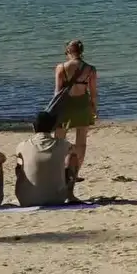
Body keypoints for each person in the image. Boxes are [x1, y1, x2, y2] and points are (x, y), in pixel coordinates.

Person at [53, 40, 97, 180]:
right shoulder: (90, 69)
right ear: (81, 52)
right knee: (81, 142)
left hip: (65, 105)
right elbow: (93, 93)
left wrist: (54, 110)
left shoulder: (61, 67)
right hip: (82, 104)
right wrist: (94, 108)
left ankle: (59, 172)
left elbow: (57, 92)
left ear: (68, 52)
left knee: (59, 140)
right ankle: (75, 173)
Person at [15, 111, 75, 206]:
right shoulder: (63, 144)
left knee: (20, 166)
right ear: (53, 128)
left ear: (33, 127)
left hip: (26, 199)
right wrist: (62, 136)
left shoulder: (22, 146)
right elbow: (73, 152)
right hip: (57, 199)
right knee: (72, 157)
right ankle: (70, 194)